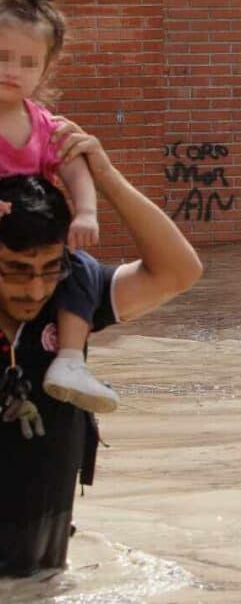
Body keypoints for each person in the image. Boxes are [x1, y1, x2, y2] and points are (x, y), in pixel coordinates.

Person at [0, 120, 203, 577]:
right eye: (14, 270)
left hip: (41, 568)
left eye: (49, 269)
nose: (35, 290)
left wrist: (105, 178)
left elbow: (178, 271)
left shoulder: (70, 302)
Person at [0, 0, 116, 413]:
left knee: (81, 270)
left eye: (29, 63)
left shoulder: (45, 125)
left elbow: (73, 169)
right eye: (3, 57)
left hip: (35, 238)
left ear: (46, 68)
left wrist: (86, 212)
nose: (14, 70)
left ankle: (69, 360)